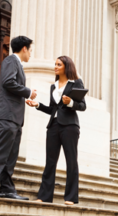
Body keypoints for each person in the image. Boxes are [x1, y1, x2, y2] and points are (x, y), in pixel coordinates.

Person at [26, 56, 86, 205]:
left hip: (70, 127)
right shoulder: (54, 86)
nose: (55, 67)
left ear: (67, 66)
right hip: (53, 125)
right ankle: (44, 196)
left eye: (59, 64)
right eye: (55, 64)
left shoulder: (76, 82)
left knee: (71, 161)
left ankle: (71, 197)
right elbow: (53, 109)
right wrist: (37, 104)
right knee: (50, 162)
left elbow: (83, 106)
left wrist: (71, 102)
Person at [0, 36, 37, 200]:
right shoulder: (11, 61)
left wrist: (24, 97)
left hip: (15, 118)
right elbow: (8, 82)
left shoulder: (17, 65)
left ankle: (6, 189)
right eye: (30, 50)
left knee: (9, 158)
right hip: (8, 116)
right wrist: (28, 92)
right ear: (24, 48)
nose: (30, 53)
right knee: (2, 155)